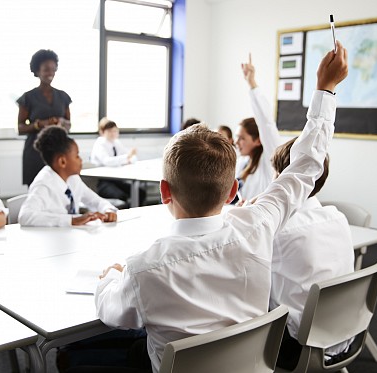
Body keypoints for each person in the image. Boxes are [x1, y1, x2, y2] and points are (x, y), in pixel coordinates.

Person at [93, 41, 348, 373]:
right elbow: (306, 167)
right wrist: (325, 89)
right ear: (232, 191)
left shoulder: (143, 270)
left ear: (164, 192)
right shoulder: (258, 225)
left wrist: (108, 279)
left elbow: (110, 311)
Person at [268, 137, 355, 370]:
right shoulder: (338, 217)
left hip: (298, 347)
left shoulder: (279, 230)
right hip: (345, 336)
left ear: (283, 179)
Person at [18, 126, 118, 227]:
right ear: (62, 162)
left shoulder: (73, 178)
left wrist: (108, 210)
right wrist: (72, 220)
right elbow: (25, 216)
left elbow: (95, 201)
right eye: (77, 156)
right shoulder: (43, 185)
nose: (81, 160)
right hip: (52, 238)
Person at [17, 49, 72, 186]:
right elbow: (20, 128)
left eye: (53, 69)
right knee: (37, 189)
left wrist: (61, 123)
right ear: (37, 71)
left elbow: (69, 124)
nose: (51, 73)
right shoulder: (28, 97)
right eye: (46, 69)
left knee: (60, 188)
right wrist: (39, 124)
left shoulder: (63, 96)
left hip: (59, 149)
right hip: (35, 152)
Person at [234, 53, 284, 204]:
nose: (236, 142)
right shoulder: (242, 161)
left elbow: (266, 123)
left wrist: (252, 83)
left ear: (258, 140)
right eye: (237, 137)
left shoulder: (269, 158)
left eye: (242, 138)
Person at [90, 117, 146, 205]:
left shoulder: (116, 142)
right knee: (121, 196)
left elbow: (132, 158)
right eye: (110, 131)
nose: (113, 133)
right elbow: (107, 161)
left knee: (141, 193)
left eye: (115, 131)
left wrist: (128, 158)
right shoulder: (99, 144)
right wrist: (127, 157)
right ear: (102, 132)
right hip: (104, 181)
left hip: (118, 180)